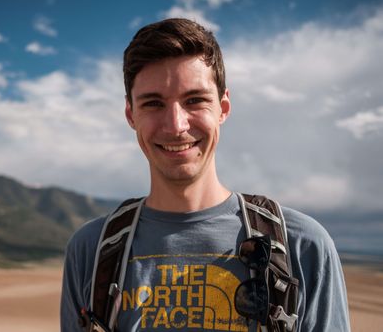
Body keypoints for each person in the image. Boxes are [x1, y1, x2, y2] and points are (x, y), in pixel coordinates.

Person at [60, 18, 350, 331]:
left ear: (223, 108)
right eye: (153, 103)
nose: (176, 125)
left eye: (194, 100)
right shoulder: (91, 249)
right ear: (131, 115)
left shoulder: (301, 245)